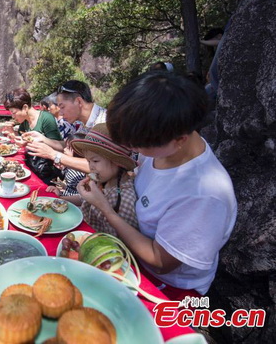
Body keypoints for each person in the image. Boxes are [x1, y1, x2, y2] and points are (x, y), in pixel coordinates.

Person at [77, 71, 237, 299]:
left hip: (169, 287)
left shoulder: (204, 193)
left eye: (139, 145)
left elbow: (161, 262)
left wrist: (105, 209)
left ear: (180, 139)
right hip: (130, 257)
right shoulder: (159, 145)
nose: (134, 149)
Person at [24, 80, 106, 173]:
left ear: (78, 101)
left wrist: (54, 155)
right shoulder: (83, 121)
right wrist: (43, 139)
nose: (61, 114)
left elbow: (101, 168)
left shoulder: (104, 124)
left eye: (62, 107)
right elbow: (71, 145)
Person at [71, 124, 139, 237]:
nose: (91, 167)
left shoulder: (124, 200)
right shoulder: (104, 182)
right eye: (88, 161)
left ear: (117, 162)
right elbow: (84, 199)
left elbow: (123, 242)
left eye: (95, 161)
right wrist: (60, 199)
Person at [3, 88, 62, 185]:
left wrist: (39, 140)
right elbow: (24, 139)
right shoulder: (25, 121)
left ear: (25, 107)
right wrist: (13, 134)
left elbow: (60, 147)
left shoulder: (46, 118)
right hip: (32, 168)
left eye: (14, 113)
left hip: (47, 174)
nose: (13, 117)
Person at [46, 133, 87, 199]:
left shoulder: (76, 173)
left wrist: (60, 194)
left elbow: (79, 195)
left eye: (68, 148)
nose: (64, 149)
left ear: (78, 152)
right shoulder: (73, 167)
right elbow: (70, 187)